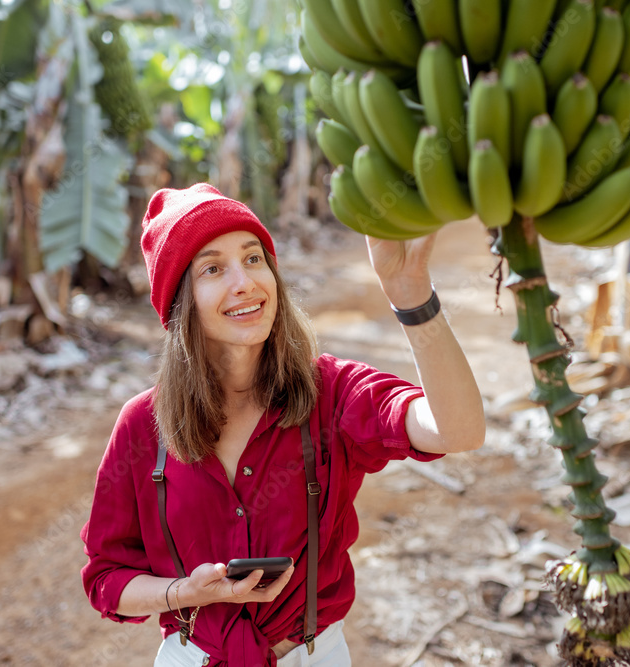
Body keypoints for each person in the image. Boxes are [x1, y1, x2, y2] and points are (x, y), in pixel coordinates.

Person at [80, 183, 486, 666]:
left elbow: (457, 430)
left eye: (254, 259)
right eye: (213, 268)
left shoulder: (332, 393)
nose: (245, 282)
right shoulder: (141, 426)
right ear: (179, 303)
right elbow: (107, 578)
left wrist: (412, 296)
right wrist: (185, 592)